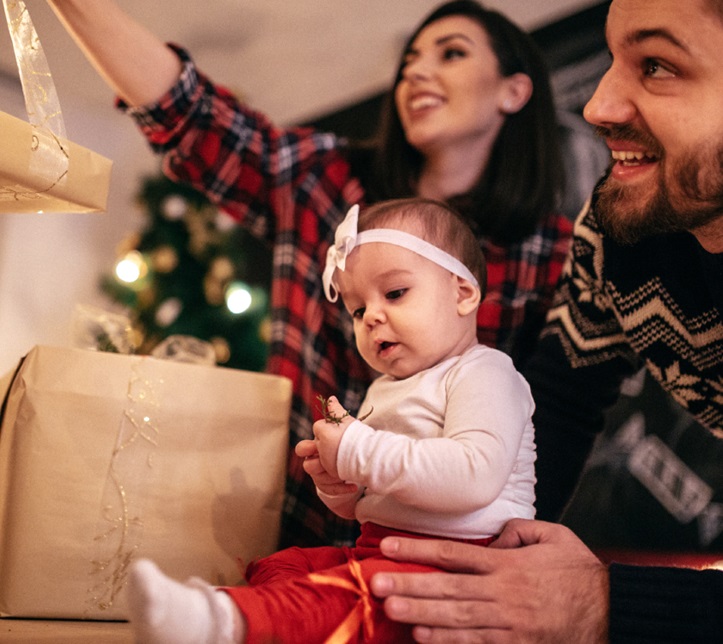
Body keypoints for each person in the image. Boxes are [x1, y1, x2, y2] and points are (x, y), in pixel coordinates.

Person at [46, 0, 571, 549]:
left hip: (448, 559)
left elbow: (556, 420)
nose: (415, 69)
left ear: (513, 90)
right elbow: (190, 116)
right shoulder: (322, 180)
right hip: (295, 525)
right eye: (410, 58)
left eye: (452, 53)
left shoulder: (551, 250)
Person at [367, 0, 723, 641]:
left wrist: (603, 604)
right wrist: (481, 569)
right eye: (614, 61)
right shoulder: (618, 231)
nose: (599, 106)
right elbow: (557, 401)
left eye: (658, 65)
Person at [123, 197, 537, 644]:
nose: (372, 316)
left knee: (350, 597)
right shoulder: (386, 388)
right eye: (358, 310)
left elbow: (473, 476)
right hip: (381, 549)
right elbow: (379, 494)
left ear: (463, 293)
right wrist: (341, 484)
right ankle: (270, 616)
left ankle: (223, 622)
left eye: (395, 293)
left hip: (459, 571)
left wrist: (358, 450)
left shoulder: (486, 372)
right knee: (285, 564)